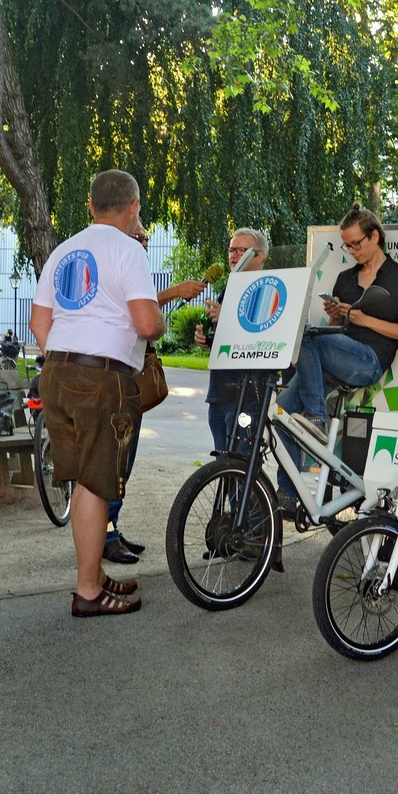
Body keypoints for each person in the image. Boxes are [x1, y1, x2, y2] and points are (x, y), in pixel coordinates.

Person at [29, 169, 165, 617]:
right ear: (132, 208)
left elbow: (39, 326)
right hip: (102, 379)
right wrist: (159, 325)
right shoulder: (129, 251)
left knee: (82, 481)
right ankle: (87, 589)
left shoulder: (62, 251)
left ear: (90, 206)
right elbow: (146, 323)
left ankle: (93, 575)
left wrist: (69, 359)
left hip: (57, 373)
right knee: (94, 482)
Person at [104, 222, 207, 565]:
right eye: (140, 236)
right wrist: (175, 291)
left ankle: (111, 528)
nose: (144, 242)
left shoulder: (127, 260)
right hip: (116, 378)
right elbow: (134, 309)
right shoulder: (117, 260)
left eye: (145, 237)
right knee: (115, 460)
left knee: (124, 461)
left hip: (128, 376)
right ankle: (104, 535)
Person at [284, 204, 398, 431]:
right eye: (347, 246)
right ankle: (300, 452)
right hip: (334, 360)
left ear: (375, 236)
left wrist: (365, 320)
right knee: (283, 416)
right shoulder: (345, 278)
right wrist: (335, 316)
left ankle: (317, 416)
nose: (352, 251)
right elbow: (333, 331)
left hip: (370, 362)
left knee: (308, 333)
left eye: (356, 244)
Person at [194, 227, 268, 454]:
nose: (233, 256)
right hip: (219, 391)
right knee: (222, 463)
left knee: (241, 463)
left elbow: (262, 336)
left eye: (241, 250)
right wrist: (207, 339)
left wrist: (226, 316)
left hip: (246, 392)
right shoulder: (229, 288)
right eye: (231, 250)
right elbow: (230, 339)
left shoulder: (267, 288)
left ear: (260, 255)